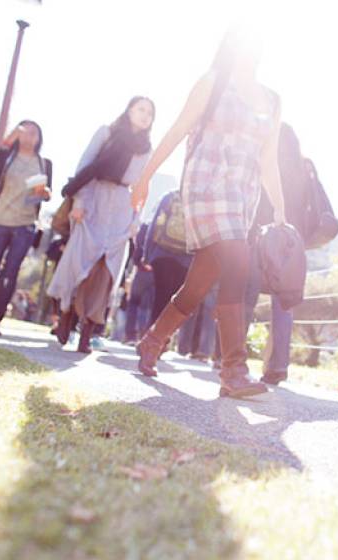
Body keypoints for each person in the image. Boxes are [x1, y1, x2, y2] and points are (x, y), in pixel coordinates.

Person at [131, 27, 286, 398]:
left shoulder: (272, 100)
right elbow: (177, 129)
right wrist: (146, 176)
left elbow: (269, 159)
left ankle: (152, 341)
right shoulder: (213, 82)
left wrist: (281, 207)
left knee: (199, 282)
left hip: (242, 198)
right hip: (205, 186)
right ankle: (233, 369)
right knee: (237, 262)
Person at [47, 96, 155, 353]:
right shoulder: (107, 133)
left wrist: (135, 220)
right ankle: (67, 316)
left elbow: (142, 187)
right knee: (80, 262)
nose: (145, 115)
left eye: (150, 113)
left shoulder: (147, 149)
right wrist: (79, 201)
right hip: (94, 198)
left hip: (121, 206)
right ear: (129, 110)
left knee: (106, 272)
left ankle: (87, 331)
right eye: (141, 109)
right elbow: (85, 165)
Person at [244, 123, 312, 385]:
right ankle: (278, 367)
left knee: (248, 296)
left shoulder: (264, 163)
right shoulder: (304, 168)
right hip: (292, 244)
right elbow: (308, 207)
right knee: (284, 303)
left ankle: (231, 357)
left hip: (262, 238)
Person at [0, 120, 52, 335]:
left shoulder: (43, 163)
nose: (29, 136)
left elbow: (40, 196)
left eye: (35, 133)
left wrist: (44, 194)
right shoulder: (8, 157)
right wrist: (10, 138)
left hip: (25, 225)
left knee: (10, 273)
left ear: (40, 138)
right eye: (25, 132)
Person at [143, 189, 193, 327]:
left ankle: (151, 335)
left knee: (160, 296)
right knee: (174, 301)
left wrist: (147, 254)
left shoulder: (170, 197)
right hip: (187, 257)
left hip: (162, 252)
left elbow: (154, 225)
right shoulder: (201, 200)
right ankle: (162, 338)